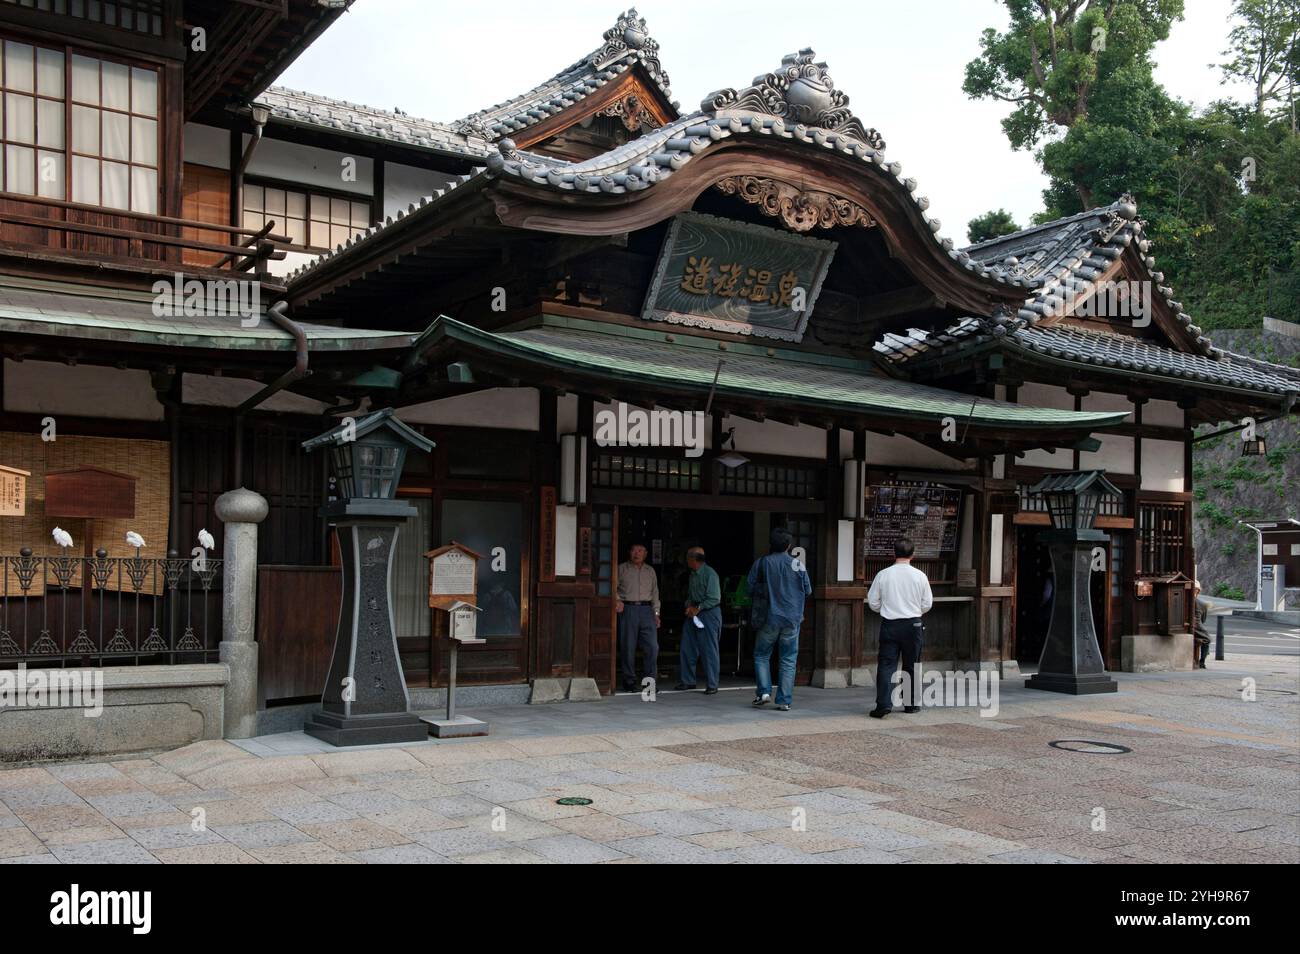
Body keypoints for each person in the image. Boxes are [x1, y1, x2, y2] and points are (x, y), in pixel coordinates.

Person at [867, 537, 933, 718]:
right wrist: (914, 611)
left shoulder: (883, 574)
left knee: (886, 665)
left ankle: (883, 704)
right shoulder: (920, 576)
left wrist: (887, 609)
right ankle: (911, 704)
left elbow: (873, 602)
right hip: (913, 623)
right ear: (913, 555)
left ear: (893, 553)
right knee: (912, 664)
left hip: (890, 623)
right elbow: (927, 603)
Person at [747, 527, 812, 711]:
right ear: (789, 546)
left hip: (769, 617)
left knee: (761, 655)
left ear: (771, 544)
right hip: (792, 619)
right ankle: (784, 701)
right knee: (788, 659)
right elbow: (807, 591)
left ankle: (764, 693)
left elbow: (749, 588)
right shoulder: (797, 564)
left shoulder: (762, 563)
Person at [616, 543, 660, 693]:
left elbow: (655, 593)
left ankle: (649, 682)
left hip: (647, 610)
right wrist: (617, 600)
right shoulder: (621, 569)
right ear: (630, 552)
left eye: (640, 550)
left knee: (652, 647)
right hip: (628, 609)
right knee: (628, 647)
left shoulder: (650, 571)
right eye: (634, 550)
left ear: (646, 553)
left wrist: (656, 613)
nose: (637, 553)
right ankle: (629, 680)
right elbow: (611, 587)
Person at [677, 546, 722, 693]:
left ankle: (712, 684)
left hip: (708, 613)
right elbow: (691, 595)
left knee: (709, 649)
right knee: (687, 647)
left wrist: (698, 608)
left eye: (688, 558)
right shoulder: (693, 574)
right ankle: (688, 680)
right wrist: (689, 606)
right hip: (694, 612)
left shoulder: (710, 574)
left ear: (692, 559)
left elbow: (715, 598)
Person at [1193, 581, 1211, 669]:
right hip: (1197, 628)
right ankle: (1202, 662)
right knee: (1207, 639)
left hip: (1191, 627)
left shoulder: (1183, 600)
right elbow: (1203, 620)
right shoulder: (1203, 604)